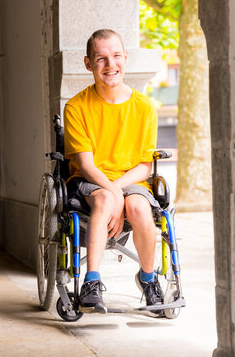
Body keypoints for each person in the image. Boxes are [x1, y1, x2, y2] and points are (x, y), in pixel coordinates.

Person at [63, 29, 163, 314]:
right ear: (88, 63)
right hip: (89, 181)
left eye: (116, 56)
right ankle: (91, 282)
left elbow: (144, 165)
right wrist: (112, 193)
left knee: (140, 208)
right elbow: (86, 165)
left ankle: (148, 278)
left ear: (126, 58)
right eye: (101, 59)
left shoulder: (144, 107)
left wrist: (118, 191)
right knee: (106, 200)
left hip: (132, 181)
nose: (110, 65)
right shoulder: (76, 107)